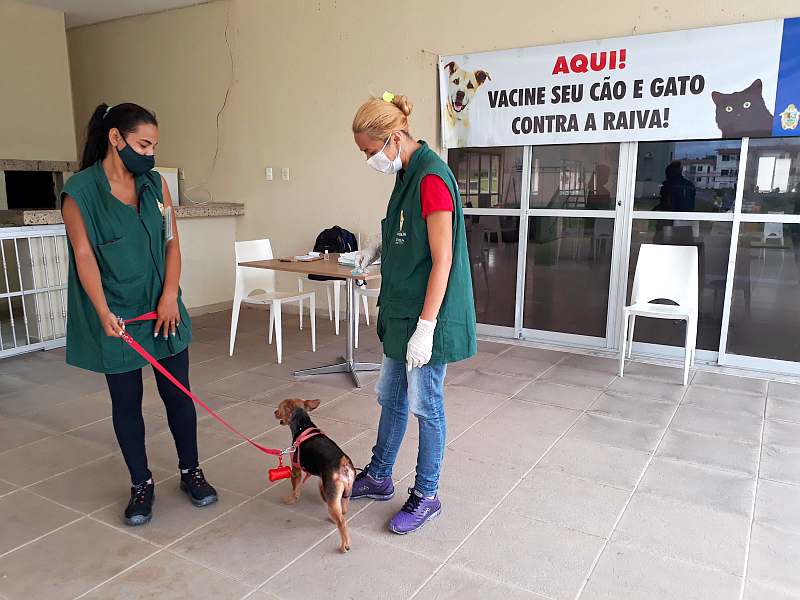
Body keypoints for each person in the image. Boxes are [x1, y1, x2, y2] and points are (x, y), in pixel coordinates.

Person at [61, 102, 217, 527]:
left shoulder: (154, 185)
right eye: (143, 144)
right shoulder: (80, 192)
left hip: (162, 307)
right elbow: (84, 255)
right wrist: (102, 312)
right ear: (116, 138)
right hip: (121, 316)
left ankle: (191, 472)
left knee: (178, 395)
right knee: (126, 404)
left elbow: (172, 243)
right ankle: (141, 484)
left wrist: (170, 295)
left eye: (154, 146)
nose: (150, 154)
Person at [350, 92, 477, 534]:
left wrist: (425, 330)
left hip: (429, 316)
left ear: (392, 138)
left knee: (427, 405)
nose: (370, 159)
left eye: (369, 151)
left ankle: (427, 494)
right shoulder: (405, 174)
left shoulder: (431, 178)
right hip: (403, 309)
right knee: (391, 395)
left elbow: (442, 259)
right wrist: (377, 248)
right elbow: (409, 232)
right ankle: (381, 474)